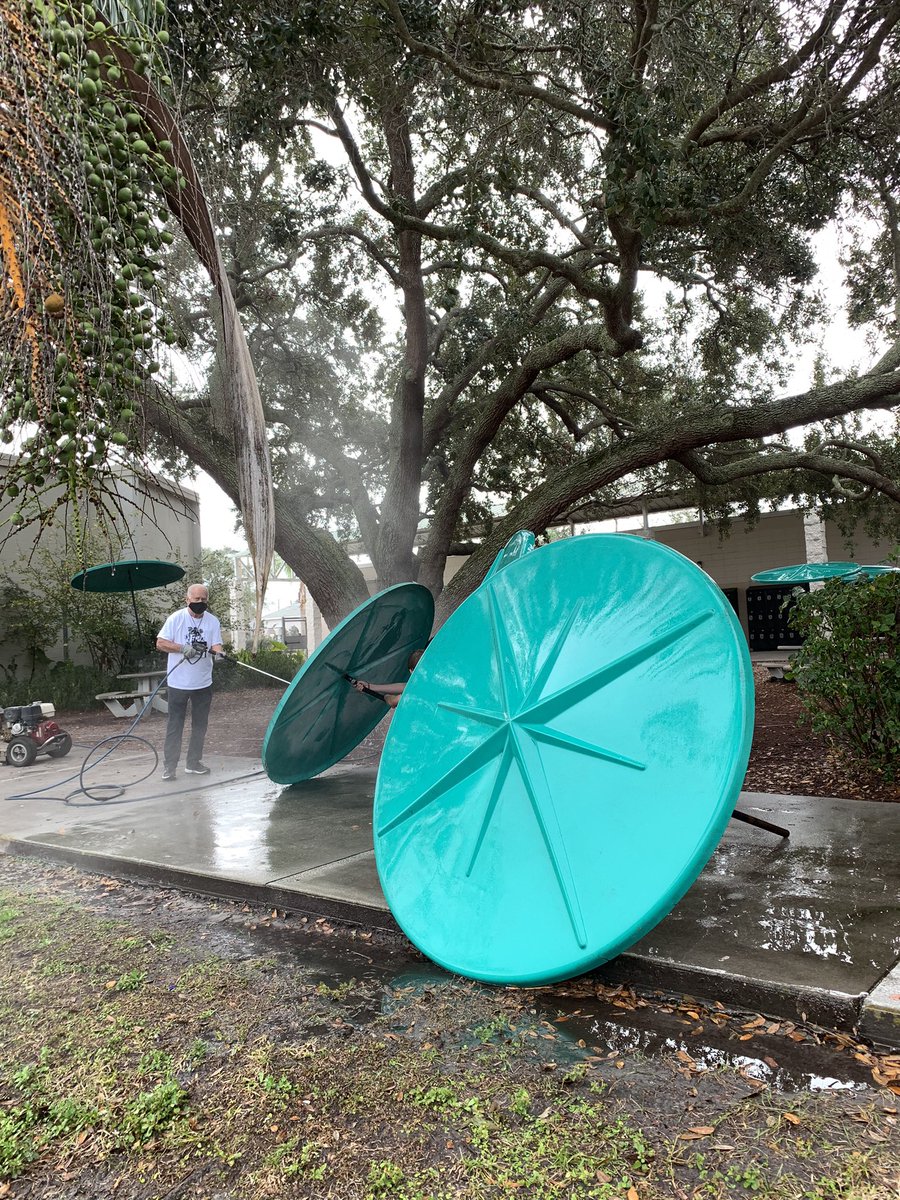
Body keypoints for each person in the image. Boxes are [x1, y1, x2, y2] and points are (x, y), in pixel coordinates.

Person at [156, 583, 224, 780]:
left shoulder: (212, 621)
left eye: (204, 600)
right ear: (188, 600)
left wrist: (220, 653)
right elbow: (160, 642)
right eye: (196, 599)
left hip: (203, 683)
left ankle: (193, 763)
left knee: (200, 725)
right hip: (179, 683)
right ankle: (169, 767)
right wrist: (182, 648)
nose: (200, 603)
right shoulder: (176, 619)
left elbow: (216, 643)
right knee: (175, 724)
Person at [350, 648, 425, 708]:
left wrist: (387, 697)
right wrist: (370, 686)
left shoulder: (413, 693)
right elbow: (406, 686)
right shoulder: (429, 679)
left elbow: (393, 701)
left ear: (411, 671)